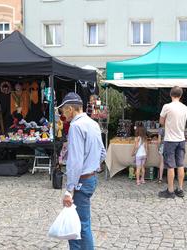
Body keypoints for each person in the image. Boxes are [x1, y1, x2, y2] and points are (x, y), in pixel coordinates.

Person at [59, 92, 106, 250]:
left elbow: (75, 162)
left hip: (81, 180)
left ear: (71, 109)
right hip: (90, 178)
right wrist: (92, 165)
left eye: (63, 111)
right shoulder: (93, 123)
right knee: (82, 223)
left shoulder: (76, 126)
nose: (63, 114)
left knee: (79, 225)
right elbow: (102, 153)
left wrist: (69, 190)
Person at [158, 86, 187, 199]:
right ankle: (180, 189)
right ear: (180, 96)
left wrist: (168, 122)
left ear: (171, 95)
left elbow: (161, 121)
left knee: (170, 165)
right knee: (180, 164)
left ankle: (170, 191)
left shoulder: (167, 106)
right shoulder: (185, 107)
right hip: (181, 139)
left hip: (170, 139)